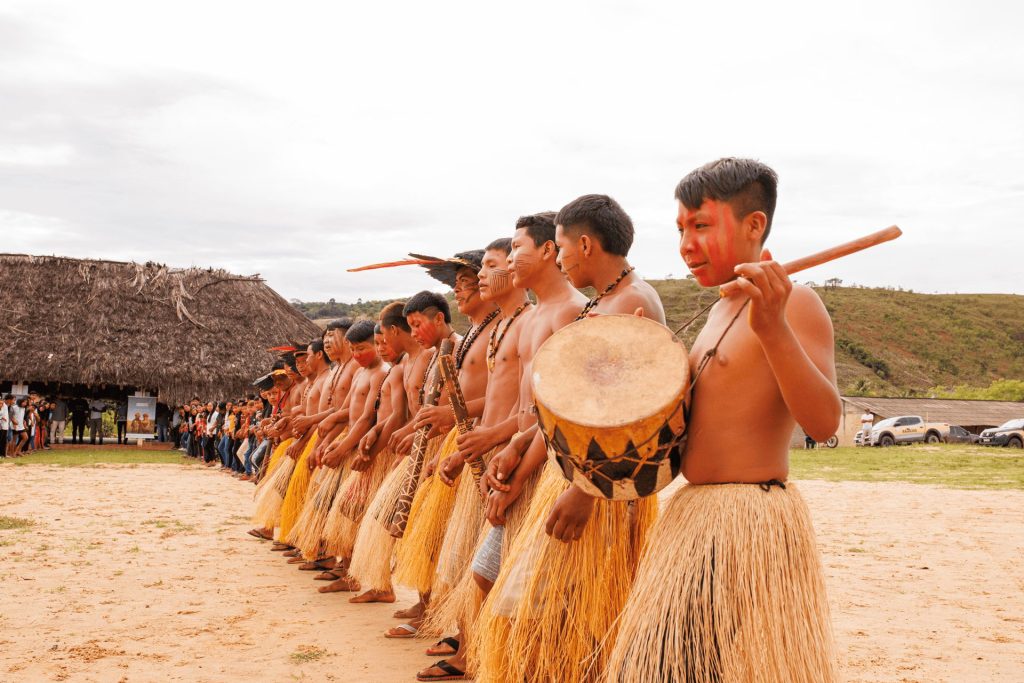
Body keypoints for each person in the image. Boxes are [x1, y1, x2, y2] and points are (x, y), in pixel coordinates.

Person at [606, 158, 840, 681]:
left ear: (754, 225)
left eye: (702, 225)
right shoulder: (715, 313)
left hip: (746, 520)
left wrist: (774, 327)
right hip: (694, 515)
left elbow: (825, 424)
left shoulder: (795, 304)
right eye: (682, 229)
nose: (687, 243)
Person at [474, 194, 665, 682]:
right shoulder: (606, 302)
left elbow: (633, 416)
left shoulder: (632, 302)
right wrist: (519, 445)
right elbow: (571, 405)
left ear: (584, 244)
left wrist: (586, 491)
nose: (559, 259)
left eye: (560, 247)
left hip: (602, 485)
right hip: (577, 472)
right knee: (540, 616)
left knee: (568, 620)